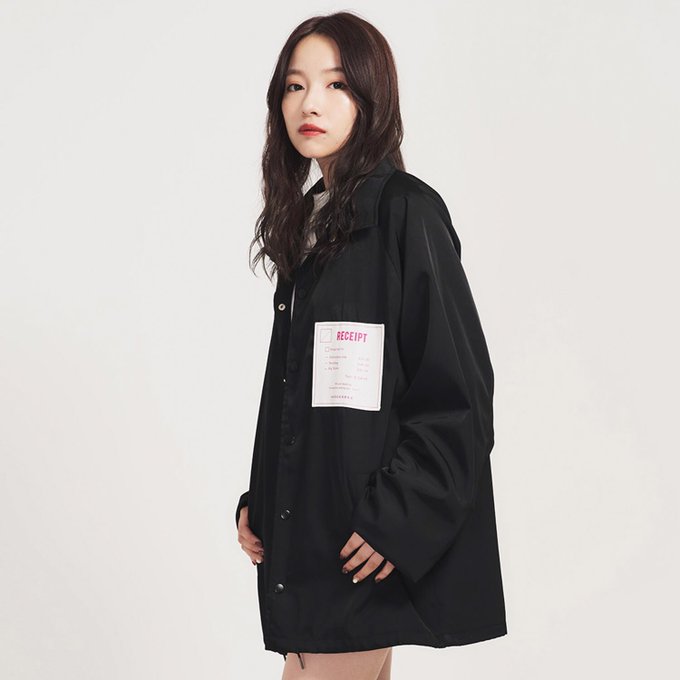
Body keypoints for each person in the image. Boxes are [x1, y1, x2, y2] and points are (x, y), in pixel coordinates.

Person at [236, 11, 507, 680]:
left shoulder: (405, 212)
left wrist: (399, 520)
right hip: (315, 541)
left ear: (371, 96)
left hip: (361, 547)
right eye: (295, 85)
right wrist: (260, 499)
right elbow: (299, 395)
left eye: (335, 84)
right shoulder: (311, 222)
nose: (310, 104)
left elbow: (459, 396)